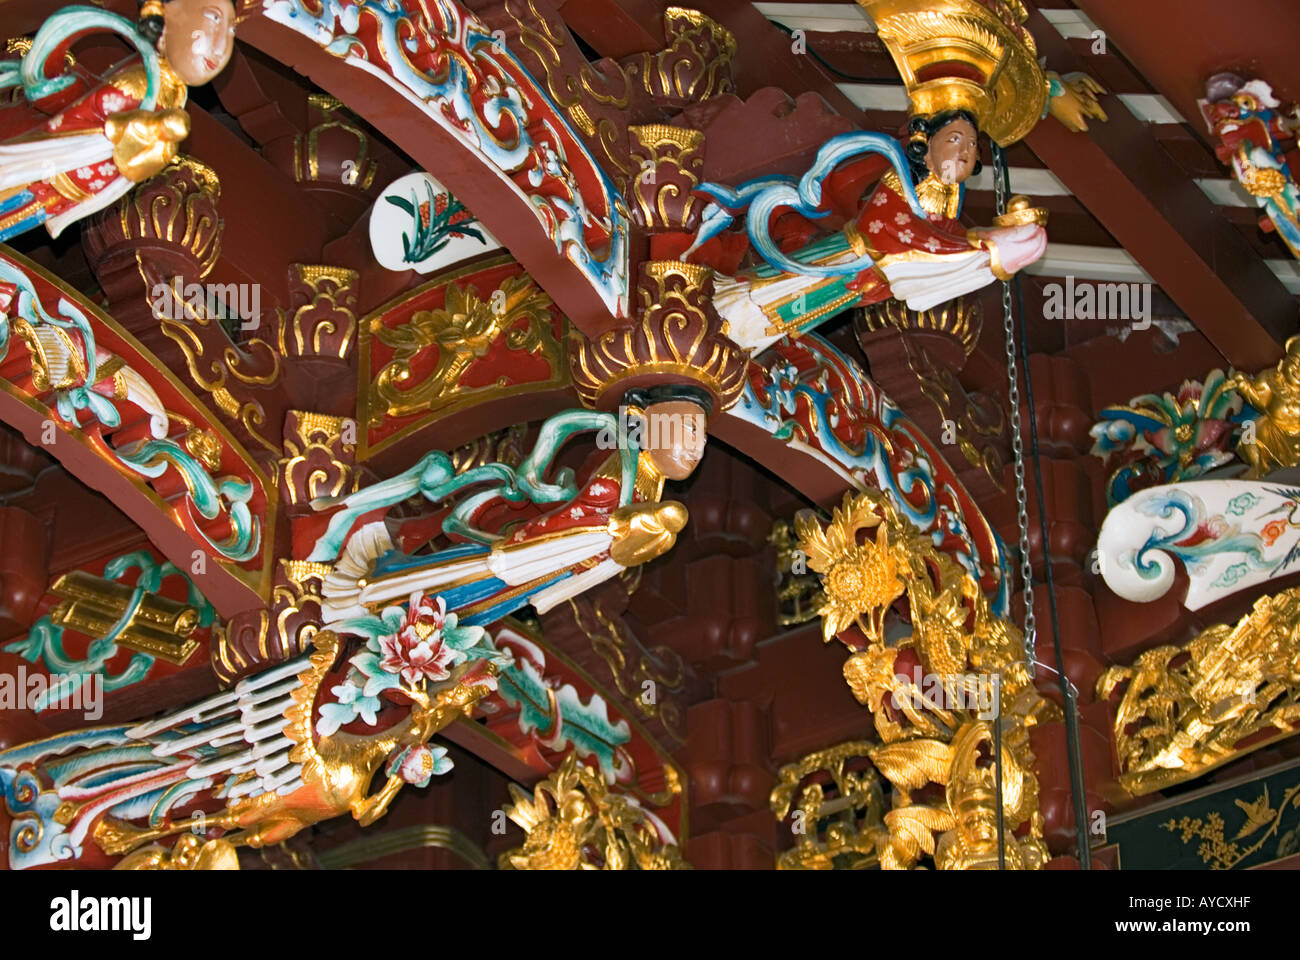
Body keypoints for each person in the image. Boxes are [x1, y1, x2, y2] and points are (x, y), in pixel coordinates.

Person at [686, 111, 1048, 354]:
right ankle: (723, 309)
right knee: (779, 290)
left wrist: (978, 246)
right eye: (955, 139)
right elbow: (884, 227)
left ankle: (741, 335)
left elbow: (944, 240)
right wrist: (977, 245)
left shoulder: (946, 204)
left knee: (795, 314)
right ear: (928, 144)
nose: (966, 151)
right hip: (846, 257)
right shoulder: (903, 183)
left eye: (972, 146)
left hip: (859, 283)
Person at [0, 0, 236, 242]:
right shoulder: (139, 84)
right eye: (214, 18)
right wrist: (138, 130)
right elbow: (90, 119)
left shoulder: (171, 95)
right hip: (46, 172)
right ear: (166, 19)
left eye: (231, 30)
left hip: (65, 191)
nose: (221, 47)